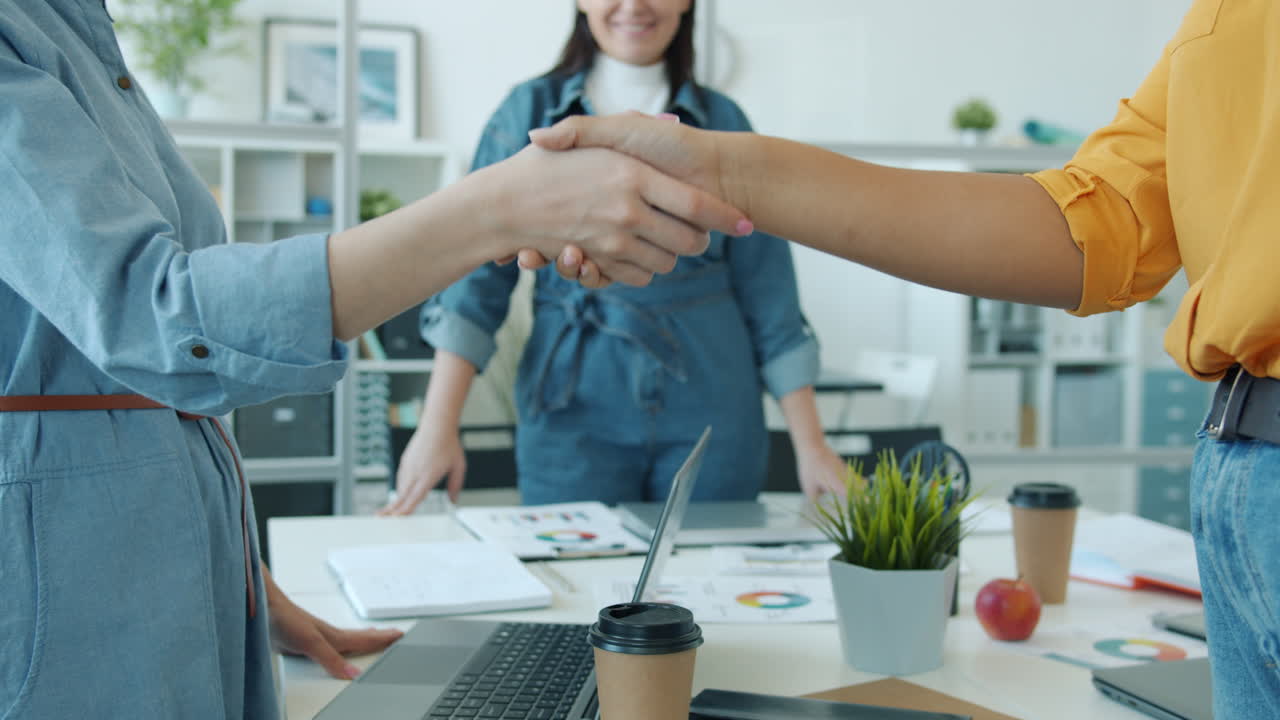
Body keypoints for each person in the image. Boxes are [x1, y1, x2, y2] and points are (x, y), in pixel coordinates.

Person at [527, 1, 1280, 716]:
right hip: (1240, 478)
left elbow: (772, 304)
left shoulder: (720, 111)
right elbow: (1101, 221)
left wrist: (811, 437)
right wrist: (726, 177)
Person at [0, 3, 750, 718]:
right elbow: (158, 320)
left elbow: (770, 298)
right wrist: (498, 210)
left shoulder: (77, 28)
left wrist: (241, 583)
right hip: (75, 599)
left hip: (175, 577)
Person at [382, 0, 846, 514]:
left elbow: (770, 292)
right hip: (570, 415)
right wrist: (436, 426)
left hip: (714, 417)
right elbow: (476, 283)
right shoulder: (528, 112)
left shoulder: (725, 122)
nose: (634, 5)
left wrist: (812, 444)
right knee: (573, 583)